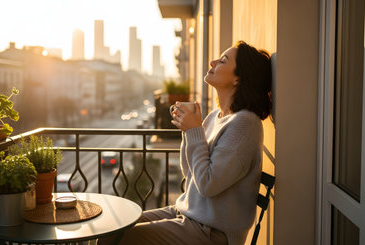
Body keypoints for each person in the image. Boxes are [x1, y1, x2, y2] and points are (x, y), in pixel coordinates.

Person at [98, 41, 272, 245]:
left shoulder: (245, 123)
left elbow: (207, 185)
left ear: (238, 78)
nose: (213, 61)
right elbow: (190, 172)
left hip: (212, 232)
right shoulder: (215, 117)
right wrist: (188, 131)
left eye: (223, 60)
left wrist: (194, 131)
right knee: (113, 229)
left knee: (121, 237)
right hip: (188, 214)